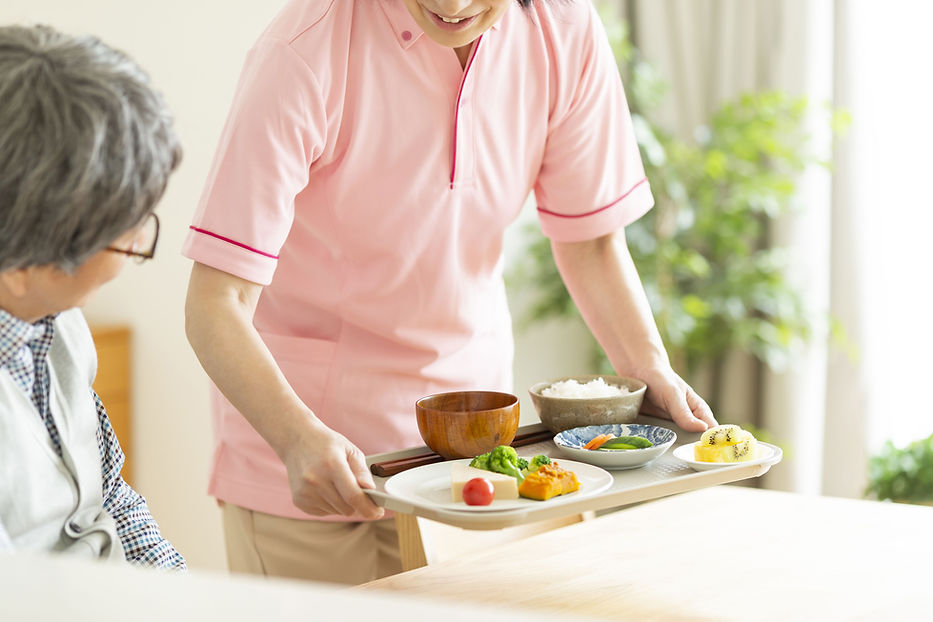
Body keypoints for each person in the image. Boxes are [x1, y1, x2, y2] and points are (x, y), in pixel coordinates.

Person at [183, 0, 717, 584]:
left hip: (476, 454)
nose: (454, 5)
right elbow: (217, 305)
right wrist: (298, 438)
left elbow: (589, 241)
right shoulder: (304, 52)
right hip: (318, 464)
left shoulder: (562, 29)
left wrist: (650, 369)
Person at [0, 24, 185, 569]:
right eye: (122, 229)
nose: (136, 244)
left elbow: (108, 498)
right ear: (24, 259)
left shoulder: (54, 318)